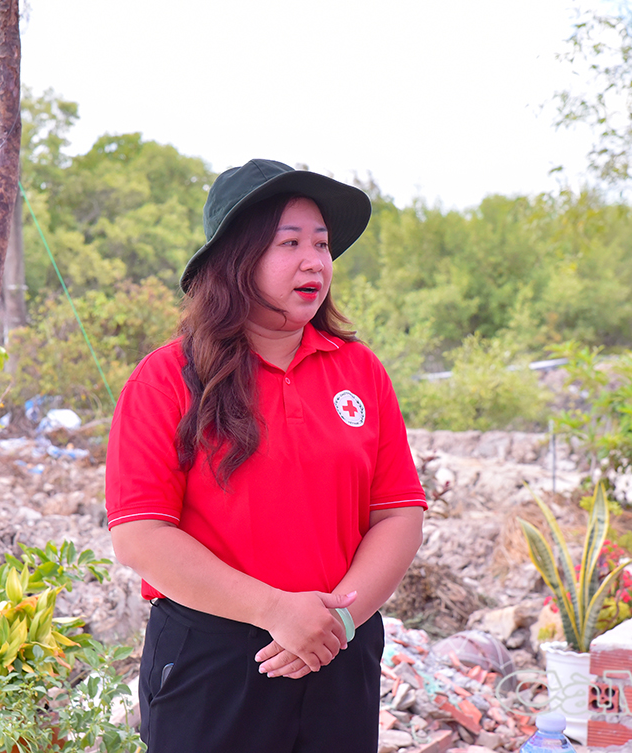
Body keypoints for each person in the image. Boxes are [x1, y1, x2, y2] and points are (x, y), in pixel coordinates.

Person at [106, 158, 427, 752]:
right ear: (236, 258)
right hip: (214, 661)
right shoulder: (166, 379)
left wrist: (338, 622)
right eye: (290, 243)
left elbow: (398, 513)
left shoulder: (360, 371)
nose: (315, 262)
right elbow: (141, 535)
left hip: (339, 649)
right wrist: (275, 611)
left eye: (322, 244)